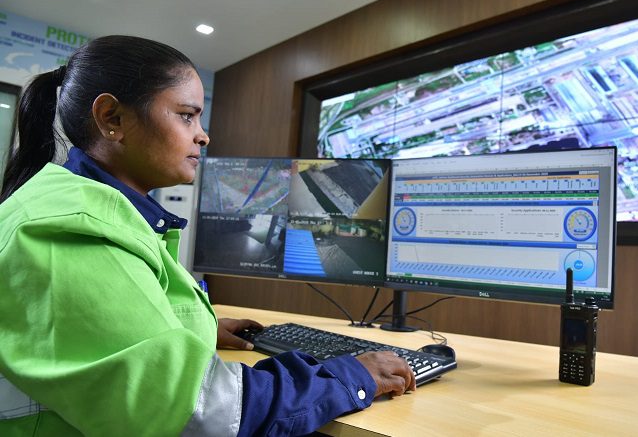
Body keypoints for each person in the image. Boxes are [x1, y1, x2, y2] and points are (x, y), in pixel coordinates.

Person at [0, 35, 415, 436]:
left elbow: (100, 328)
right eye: (187, 115)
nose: (203, 135)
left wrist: (191, 325)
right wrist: (348, 376)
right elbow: (203, 412)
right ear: (113, 118)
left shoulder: (81, 209)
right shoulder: (72, 231)